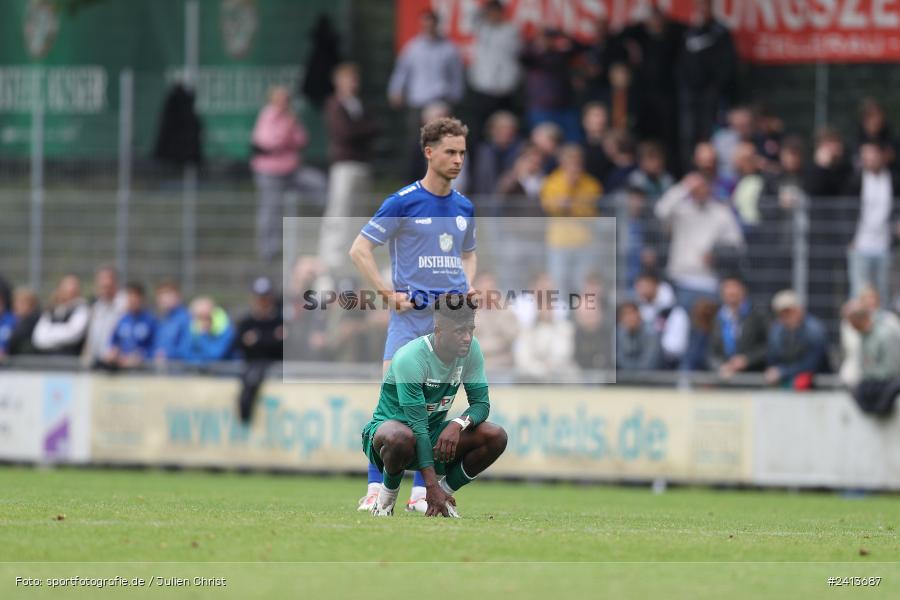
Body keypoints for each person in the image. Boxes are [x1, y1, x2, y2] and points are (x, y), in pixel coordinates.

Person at [349, 117, 477, 513]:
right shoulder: (403, 201)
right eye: (450, 152)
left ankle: (423, 493)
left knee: (437, 408)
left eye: (462, 152)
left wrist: (467, 287)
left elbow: (468, 253)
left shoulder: (463, 207)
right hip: (410, 320)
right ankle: (375, 490)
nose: (458, 160)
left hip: (449, 323)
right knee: (393, 408)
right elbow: (359, 249)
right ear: (429, 153)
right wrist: (387, 294)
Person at [362, 294, 507, 517]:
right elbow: (417, 427)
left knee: (495, 435)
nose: (467, 338)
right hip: (387, 438)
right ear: (439, 330)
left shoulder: (471, 350)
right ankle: (385, 501)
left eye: (471, 329)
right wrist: (430, 486)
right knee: (401, 436)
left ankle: (445, 496)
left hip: (429, 435)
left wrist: (457, 424)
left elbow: (481, 405)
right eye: (460, 331)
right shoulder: (410, 358)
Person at [319, 62, 381, 276]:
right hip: (344, 165)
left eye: (354, 79)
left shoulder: (359, 105)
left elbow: (374, 128)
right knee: (339, 213)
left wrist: (362, 130)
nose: (352, 83)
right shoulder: (334, 104)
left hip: (362, 165)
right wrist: (364, 130)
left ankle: (355, 259)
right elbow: (346, 132)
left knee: (358, 216)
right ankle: (332, 261)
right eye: (348, 78)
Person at [251, 85, 326, 261]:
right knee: (271, 211)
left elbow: (301, 139)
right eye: (280, 98)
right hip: (270, 173)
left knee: (319, 184)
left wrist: (292, 123)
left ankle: (324, 228)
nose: (284, 102)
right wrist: (287, 128)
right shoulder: (268, 115)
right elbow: (269, 142)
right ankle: (269, 252)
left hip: (291, 169)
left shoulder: (290, 117)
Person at [654, 172, 744, 310]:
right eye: (696, 187)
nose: (699, 190)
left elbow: (736, 243)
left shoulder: (722, 212)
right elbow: (660, 211)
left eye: (703, 186)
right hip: (681, 279)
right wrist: (683, 187)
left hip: (710, 280)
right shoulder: (681, 210)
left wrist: (718, 254)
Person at [388, 10, 464, 149]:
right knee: (416, 142)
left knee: (442, 142)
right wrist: (396, 90)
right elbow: (402, 71)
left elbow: (456, 75)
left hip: (441, 100)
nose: (428, 29)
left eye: (431, 25)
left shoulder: (449, 48)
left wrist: (455, 97)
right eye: (425, 26)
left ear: (437, 25)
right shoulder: (412, 48)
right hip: (418, 101)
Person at [676, 0, 737, 168]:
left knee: (710, 136)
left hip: (712, 97)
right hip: (690, 97)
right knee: (688, 136)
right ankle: (691, 170)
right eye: (699, 7)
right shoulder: (689, 33)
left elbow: (727, 66)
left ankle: (710, 171)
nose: (702, 10)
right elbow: (681, 65)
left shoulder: (720, 32)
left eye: (705, 6)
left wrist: (715, 89)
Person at [540, 144, 603, 299]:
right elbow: (550, 207)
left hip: (584, 240)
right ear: (562, 162)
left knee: (582, 281)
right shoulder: (552, 182)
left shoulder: (591, 184)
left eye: (577, 161)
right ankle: (561, 315)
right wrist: (569, 187)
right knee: (558, 281)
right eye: (570, 161)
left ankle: (581, 316)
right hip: (558, 241)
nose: (574, 165)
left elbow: (592, 211)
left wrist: (570, 205)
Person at [846, 142, 898, 303]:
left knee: (883, 293)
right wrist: (850, 238)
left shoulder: (894, 179)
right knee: (859, 292)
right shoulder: (855, 181)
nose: (870, 160)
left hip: (885, 245)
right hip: (860, 244)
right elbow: (845, 210)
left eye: (874, 155)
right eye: (866, 157)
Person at [466, 0, 521, 145]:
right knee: (478, 131)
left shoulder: (511, 31)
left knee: (505, 129)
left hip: (504, 90)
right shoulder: (482, 29)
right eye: (489, 12)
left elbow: (513, 56)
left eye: (495, 12)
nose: (492, 15)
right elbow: (471, 17)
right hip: (483, 88)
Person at [234, 277, 284, 423]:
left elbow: (280, 345)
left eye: (265, 297)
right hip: (250, 365)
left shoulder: (279, 320)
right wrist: (270, 338)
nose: (262, 301)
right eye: (259, 297)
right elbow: (239, 344)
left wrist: (257, 340)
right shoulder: (246, 321)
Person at [520, 27, 584, 141]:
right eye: (545, 38)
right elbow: (522, 56)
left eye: (551, 38)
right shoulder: (534, 56)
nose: (548, 41)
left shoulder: (561, 55)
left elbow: (579, 48)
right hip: (541, 108)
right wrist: (536, 44)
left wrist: (563, 34)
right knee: (543, 143)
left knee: (573, 142)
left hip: (566, 106)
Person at [844, 299, 900, 416]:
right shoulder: (864, 335)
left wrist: (870, 371)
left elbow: (890, 368)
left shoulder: (885, 334)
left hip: (886, 381)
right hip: (872, 380)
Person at [765, 290, 830, 389]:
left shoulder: (815, 330)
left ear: (799, 310)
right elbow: (772, 359)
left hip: (816, 387)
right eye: (782, 312)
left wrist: (782, 372)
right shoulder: (776, 331)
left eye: (789, 311)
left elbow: (813, 364)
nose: (786, 316)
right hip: (784, 385)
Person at [708, 276, 769, 379]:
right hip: (725, 380)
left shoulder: (758, 314)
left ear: (743, 290)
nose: (731, 292)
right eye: (727, 288)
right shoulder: (717, 318)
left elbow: (768, 346)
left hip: (753, 377)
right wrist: (721, 367)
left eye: (734, 287)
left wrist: (747, 360)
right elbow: (711, 352)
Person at [633, 270, 689, 369]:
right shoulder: (635, 309)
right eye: (639, 285)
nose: (641, 289)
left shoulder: (675, 313)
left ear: (655, 285)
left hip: (665, 366)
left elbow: (675, 348)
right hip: (638, 361)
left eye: (645, 284)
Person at [32, 274, 90, 356]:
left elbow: (73, 334)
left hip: (70, 360)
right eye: (66, 287)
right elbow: (38, 338)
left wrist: (50, 331)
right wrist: (62, 329)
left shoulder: (81, 309)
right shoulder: (52, 310)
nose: (70, 290)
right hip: (47, 359)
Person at [471, 272, 518, 372]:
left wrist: (497, 310)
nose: (487, 290)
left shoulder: (505, 309)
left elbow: (512, 336)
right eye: (483, 285)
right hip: (475, 364)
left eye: (491, 286)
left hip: (502, 363)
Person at [103, 282, 157, 370]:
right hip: (122, 370)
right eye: (130, 297)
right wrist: (113, 352)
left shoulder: (150, 321)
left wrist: (141, 356)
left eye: (135, 297)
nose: (132, 300)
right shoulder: (122, 320)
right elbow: (113, 341)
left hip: (142, 371)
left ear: (141, 299)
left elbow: (155, 347)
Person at [82, 265, 126, 367]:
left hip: (118, 366)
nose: (104, 284)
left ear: (115, 282)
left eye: (107, 280)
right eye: (101, 281)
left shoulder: (124, 305)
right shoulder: (96, 307)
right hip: (97, 364)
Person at [472, 111, 522, 198]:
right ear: (492, 130)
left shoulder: (521, 150)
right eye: (502, 128)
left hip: (513, 202)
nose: (506, 132)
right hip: (485, 200)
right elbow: (479, 181)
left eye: (509, 129)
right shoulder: (483, 151)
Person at [178, 297, 235, 366]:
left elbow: (215, 356)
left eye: (205, 317)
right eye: (199, 318)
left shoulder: (225, 330)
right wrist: (199, 361)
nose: (202, 321)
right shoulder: (193, 326)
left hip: (223, 373)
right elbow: (184, 353)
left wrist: (203, 335)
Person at [153, 280, 191, 364]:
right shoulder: (160, 319)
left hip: (179, 370)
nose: (163, 299)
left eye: (167, 295)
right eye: (160, 295)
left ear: (178, 297)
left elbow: (186, 348)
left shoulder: (185, 319)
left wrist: (168, 355)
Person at [616, 301, 660, 371]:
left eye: (631, 313)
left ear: (639, 314)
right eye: (625, 315)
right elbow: (618, 360)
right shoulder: (619, 334)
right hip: (625, 378)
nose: (629, 318)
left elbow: (648, 364)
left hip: (650, 379)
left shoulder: (651, 334)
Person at [6, 287, 40, 357]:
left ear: (32, 305)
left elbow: (13, 341)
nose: (17, 306)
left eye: (22, 303)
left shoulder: (33, 322)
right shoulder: (11, 321)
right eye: (15, 302)